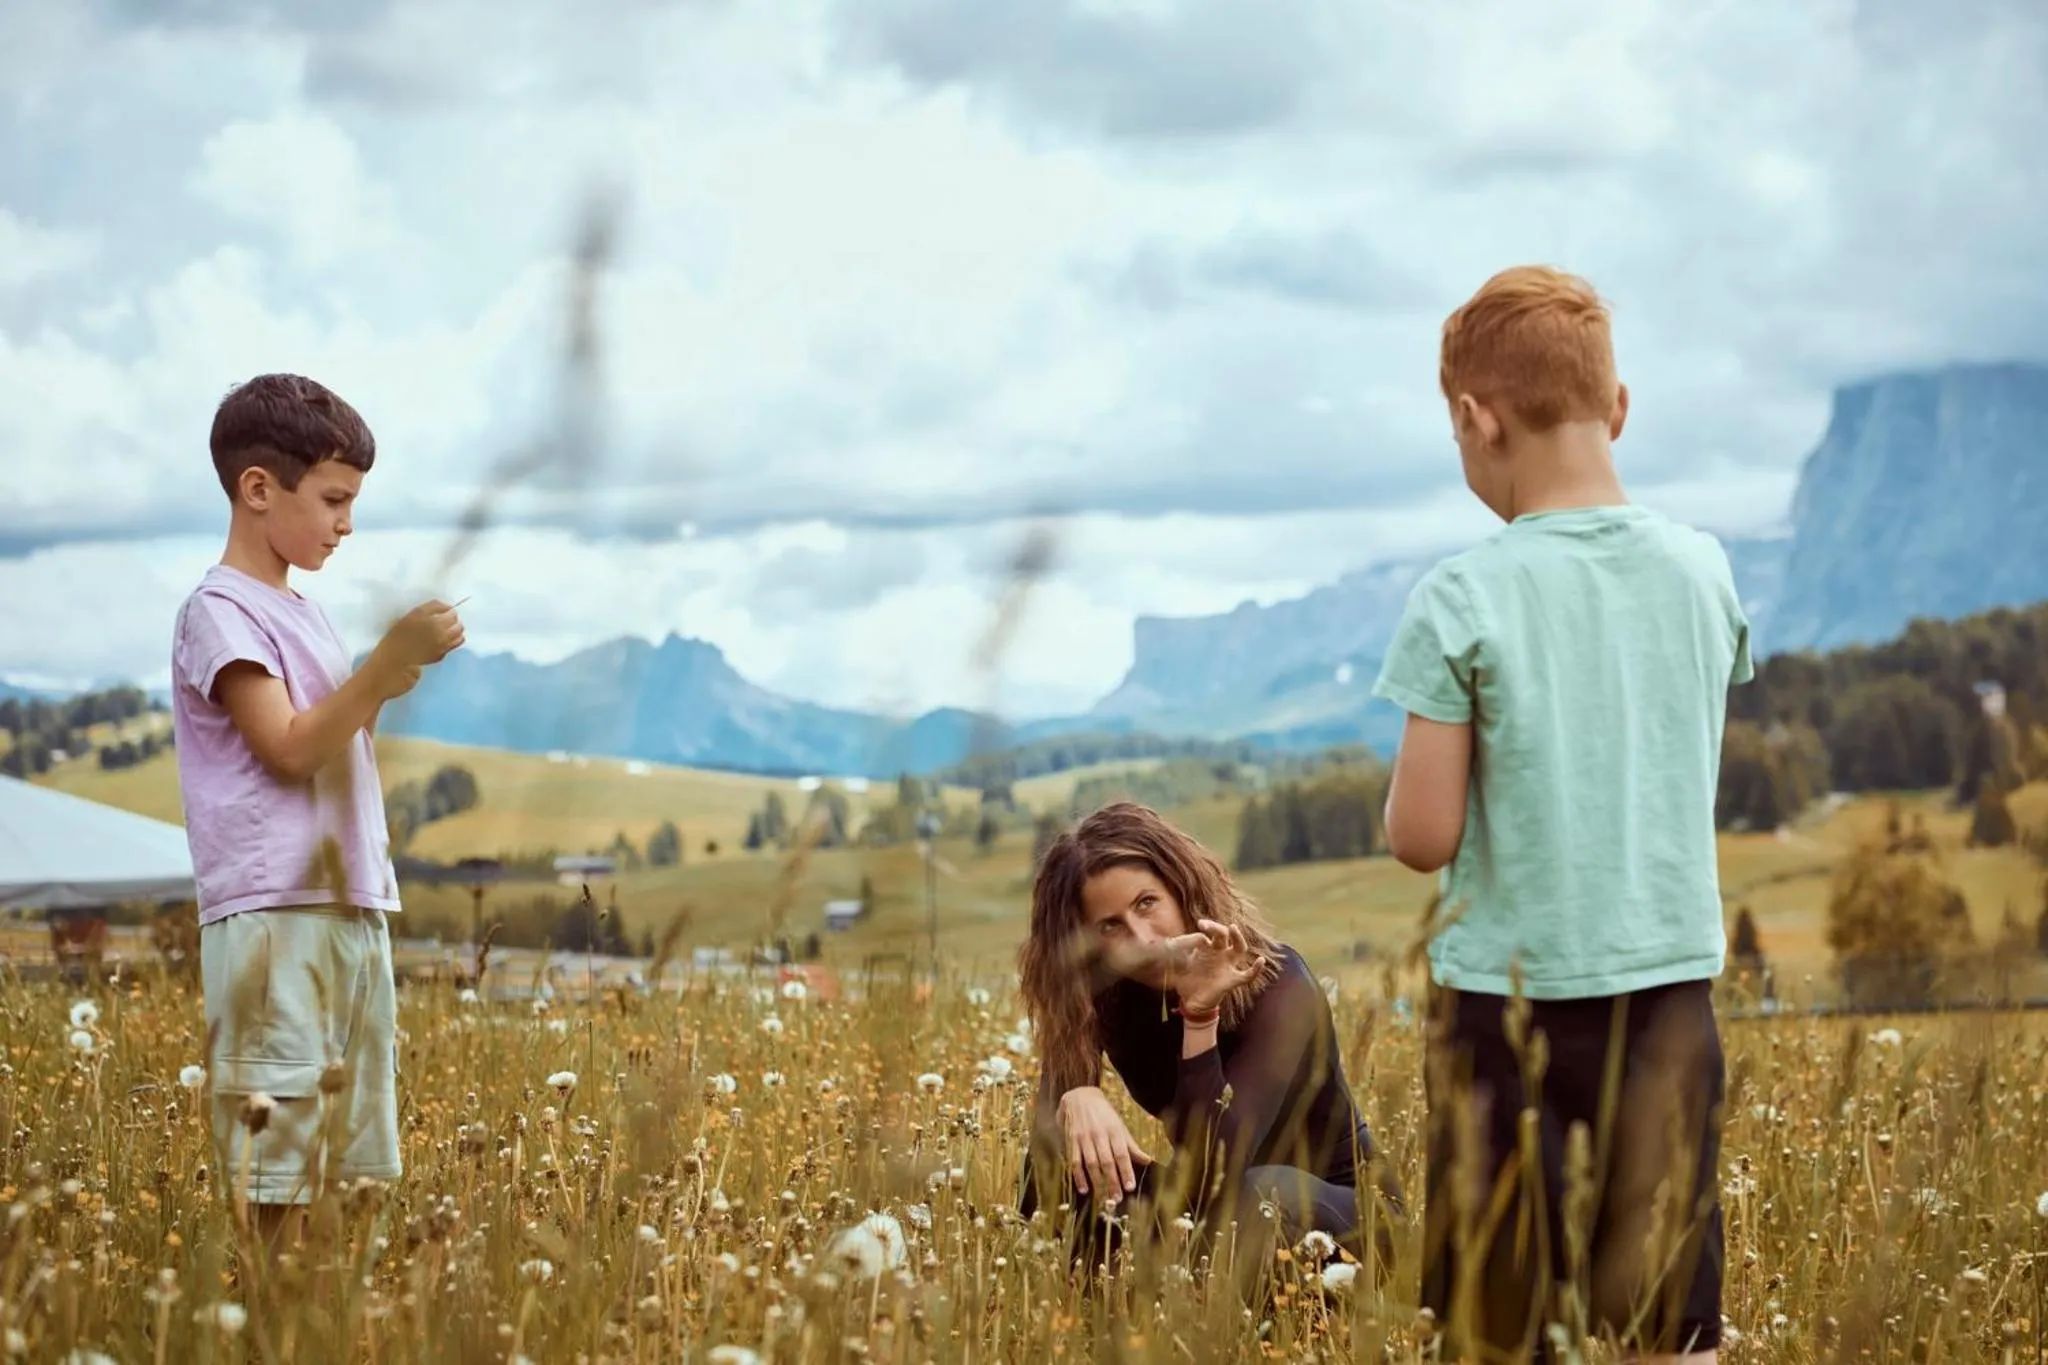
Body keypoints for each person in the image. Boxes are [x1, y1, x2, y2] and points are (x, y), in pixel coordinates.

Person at [1373, 266, 1751, 1363]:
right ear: (1617, 407)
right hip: (1671, 997)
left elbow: (1422, 838)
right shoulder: (1702, 573)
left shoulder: (1460, 595)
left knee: (1506, 1326)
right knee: (1665, 1313)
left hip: (1509, 1014)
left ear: (1470, 418)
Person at [170, 373, 465, 1244]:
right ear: (258, 489)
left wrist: (387, 677)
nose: (347, 522)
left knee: (352, 1179)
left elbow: (333, 733)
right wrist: (376, 671)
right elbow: (290, 748)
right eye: (334, 499)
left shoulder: (305, 611)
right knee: (282, 1184)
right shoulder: (218, 611)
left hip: (348, 909)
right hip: (276, 918)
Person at [1016, 801, 1404, 1295]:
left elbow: (1219, 1169)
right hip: (1218, 1215)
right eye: (1110, 926)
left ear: (1181, 888)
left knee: (1260, 1194)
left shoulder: (1281, 984)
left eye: (1146, 903)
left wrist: (1199, 1017)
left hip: (1348, 1219)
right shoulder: (1104, 996)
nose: (1141, 938)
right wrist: (1075, 1097)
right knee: (1061, 1164)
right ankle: (1082, 1313)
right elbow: (1051, 1150)